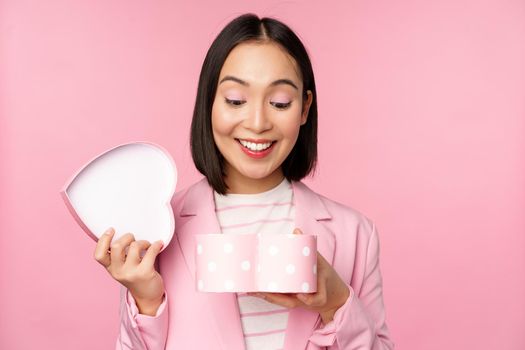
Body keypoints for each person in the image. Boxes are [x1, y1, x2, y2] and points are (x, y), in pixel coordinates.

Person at [94, 13, 395, 350]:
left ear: (305, 108)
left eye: (279, 102)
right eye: (236, 100)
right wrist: (147, 301)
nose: (257, 123)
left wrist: (336, 302)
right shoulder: (159, 228)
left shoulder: (355, 234)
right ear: (209, 102)